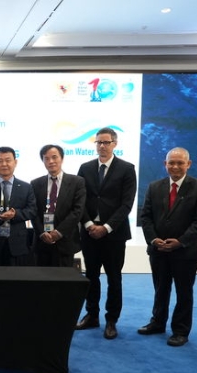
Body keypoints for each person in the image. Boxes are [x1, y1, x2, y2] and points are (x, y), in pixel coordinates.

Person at [138, 147, 197, 347]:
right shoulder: (154, 187)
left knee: (184, 292)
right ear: (165, 164)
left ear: (188, 164)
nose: (175, 166)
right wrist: (153, 239)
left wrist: (180, 241)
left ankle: (180, 330)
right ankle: (157, 322)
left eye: (180, 163)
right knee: (160, 289)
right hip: (158, 250)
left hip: (186, 251)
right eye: (171, 162)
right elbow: (146, 217)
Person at [75, 127, 137, 340]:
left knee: (114, 278)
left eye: (106, 142)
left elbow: (126, 204)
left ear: (114, 144)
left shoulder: (127, 169)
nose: (102, 146)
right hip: (89, 232)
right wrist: (88, 224)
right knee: (91, 276)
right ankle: (92, 315)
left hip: (114, 234)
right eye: (99, 142)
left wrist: (107, 227)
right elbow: (79, 201)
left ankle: (112, 320)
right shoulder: (85, 168)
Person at [30, 144, 86, 267]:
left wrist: (59, 232)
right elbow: (33, 211)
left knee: (64, 278)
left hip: (65, 241)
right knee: (42, 277)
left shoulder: (77, 182)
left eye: (54, 157)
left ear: (62, 158)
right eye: (46, 158)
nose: (51, 161)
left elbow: (77, 211)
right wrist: (41, 232)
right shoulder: (35, 183)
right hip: (42, 242)